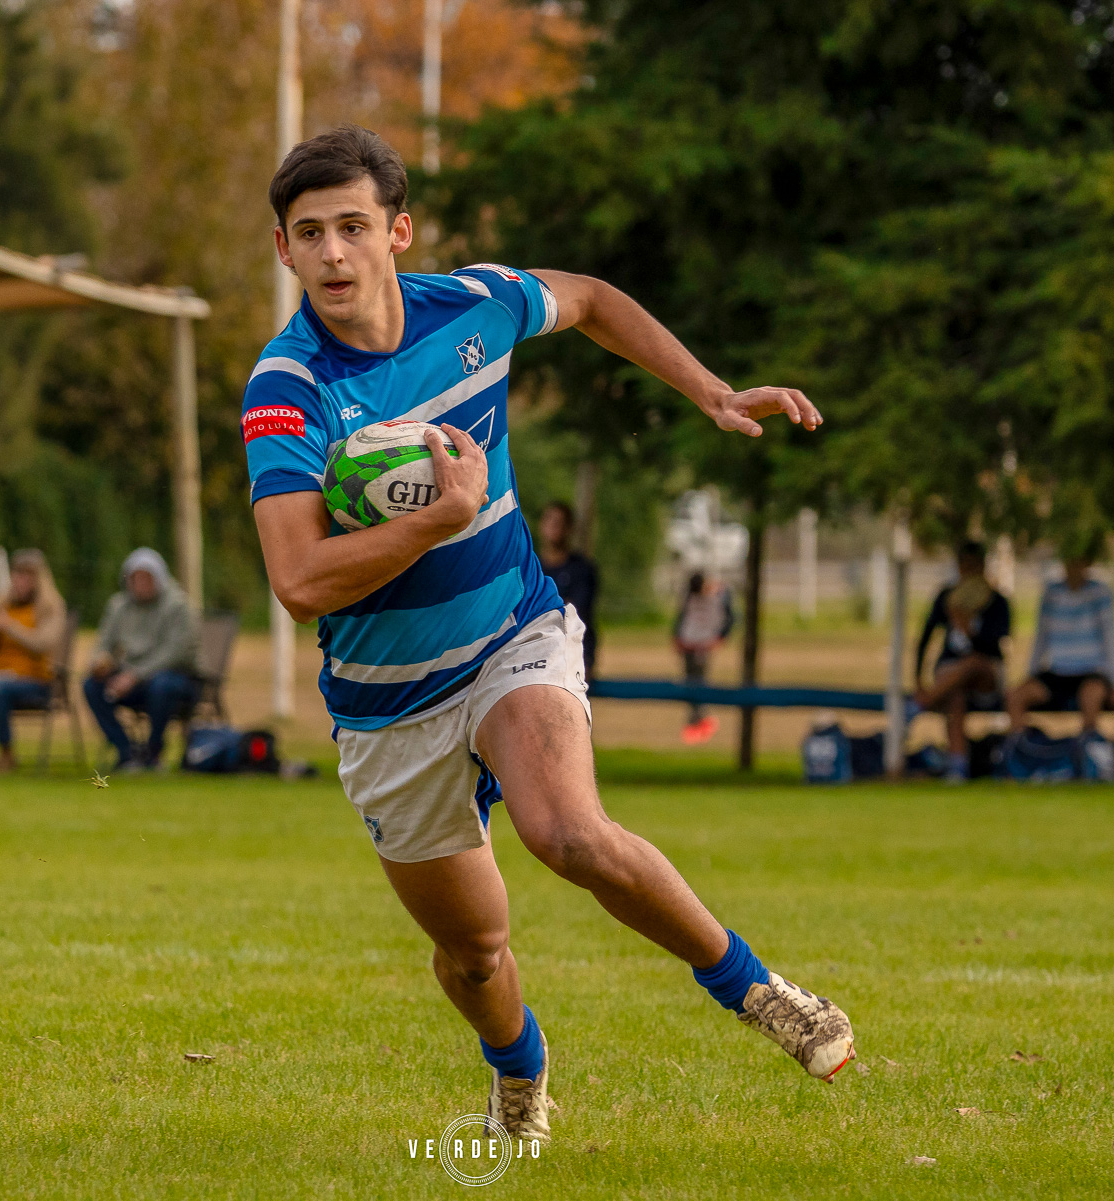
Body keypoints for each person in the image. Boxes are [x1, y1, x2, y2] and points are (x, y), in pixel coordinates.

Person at [243, 125, 851, 1146]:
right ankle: (519, 1067)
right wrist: (433, 520)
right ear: (284, 252)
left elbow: (598, 300)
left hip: (513, 636)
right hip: (388, 703)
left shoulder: (475, 304)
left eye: (354, 226)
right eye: (311, 234)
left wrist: (708, 388)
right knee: (474, 952)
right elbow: (298, 580)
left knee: (565, 830)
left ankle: (759, 990)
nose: (334, 253)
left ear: (399, 231)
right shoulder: (289, 388)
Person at [83, 547, 199, 771]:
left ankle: (153, 751)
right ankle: (127, 751)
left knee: (162, 685)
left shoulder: (178, 605)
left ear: (160, 578)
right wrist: (98, 662)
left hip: (179, 678)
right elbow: (103, 643)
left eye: (147, 578)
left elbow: (175, 652)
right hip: (133, 679)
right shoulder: (118, 605)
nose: (141, 584)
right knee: (91, 685)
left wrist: (134, 676)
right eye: (135, 578)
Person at [913, 541, 1011, 781]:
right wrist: (918, 678)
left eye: (973, 565)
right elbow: (925, 639)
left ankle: (918, 706)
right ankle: (957, 766)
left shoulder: (997, 601)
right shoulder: (947, 597)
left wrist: (968, 629)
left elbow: (995, 648)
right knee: (955, 696)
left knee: (974, 662)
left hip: (985, 677)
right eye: (963, 565)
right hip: (950, 679)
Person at [0, 549, 68, 770]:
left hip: (37, 680)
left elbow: (42, 644)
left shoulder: (51, 607)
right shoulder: (2, 603)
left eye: (27, 576)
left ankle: (7, 753)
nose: (20, 581)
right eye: (17, 575)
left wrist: (10, 627)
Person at [1006, 553, 1114, 740]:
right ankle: (1022, 751)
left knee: (1091, 696)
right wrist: (1031, 673)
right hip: (1057, 671)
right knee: (1015, 696)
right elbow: (1041, 638)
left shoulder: (1100, 593)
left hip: (1091, 671)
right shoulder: (1052, 592)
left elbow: (1111, 638)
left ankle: (1086, 749)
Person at [535, 501, 599, 679]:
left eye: (560, 522)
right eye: (550, 520)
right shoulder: (530, 569)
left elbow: (576, 613)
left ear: (570, 529)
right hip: (533, 654)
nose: (555, 527)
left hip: (572, 656)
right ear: (541, 525)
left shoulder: (582, 569)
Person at [672, 571, 733, 745]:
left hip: (698, 645)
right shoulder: (700, 599)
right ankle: (697, 720)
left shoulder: (706, 599)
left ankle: (699, 721)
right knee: (691, 682)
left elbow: (729, 616)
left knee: (697, 682)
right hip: (691, 645)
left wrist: (720, 637)